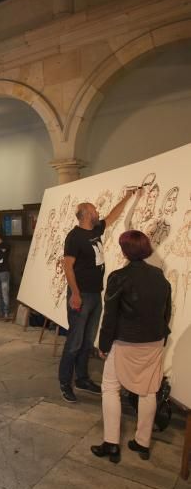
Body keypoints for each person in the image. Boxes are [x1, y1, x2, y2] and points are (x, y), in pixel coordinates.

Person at [91, 231, 172, 463]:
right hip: (154, 341)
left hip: (125, 342)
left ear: (125, 251)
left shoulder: (118, 277)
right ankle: (143, 443)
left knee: (109, 388)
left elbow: (110, 316)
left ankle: (111, 444)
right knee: (148, 390)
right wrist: (161, 336)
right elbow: (167, 311)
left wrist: (103, 345)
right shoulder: (159, 276)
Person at [59, 190, 136, 403]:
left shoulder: (95, 230)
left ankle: (82, 378)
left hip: (95, 294)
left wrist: (128, 197)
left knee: (87, 340)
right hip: (81, 295)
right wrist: (75, 294)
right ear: (85, 214)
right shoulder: (74, 237)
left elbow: (112, 217)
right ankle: (65, 382)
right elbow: (68, 267)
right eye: (94, 209)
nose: (97, 211)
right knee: (74, 341)